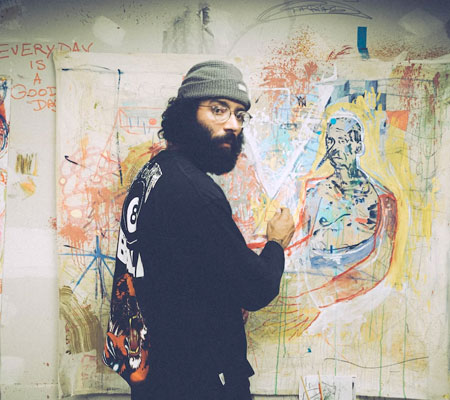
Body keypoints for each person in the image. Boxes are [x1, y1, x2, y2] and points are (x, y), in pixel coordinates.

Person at [103, 60, 295, 400]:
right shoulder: (194, 193)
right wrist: (276, 242)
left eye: (239, 115)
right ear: (186, 114)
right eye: (218, 110)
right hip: (194, 380)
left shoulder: (154, 171)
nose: (232, 124)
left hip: (158, 372)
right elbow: (256, 288)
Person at [295, 109, 397, 307]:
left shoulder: (383, 200)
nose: (334, 149)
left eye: (342, 140)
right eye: (330, 141)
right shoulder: (313, 193)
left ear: (358, 146)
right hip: (313, 292)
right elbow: (301, 252)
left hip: (361, 299)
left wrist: (327, 295)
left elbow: (381, 263)